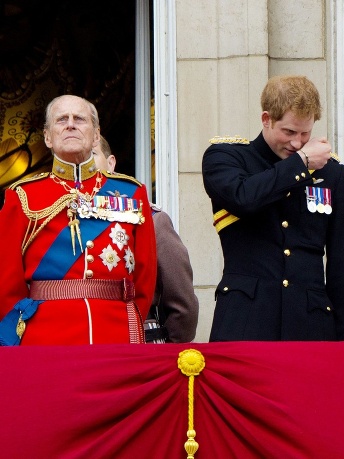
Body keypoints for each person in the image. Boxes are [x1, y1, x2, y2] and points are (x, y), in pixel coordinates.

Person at [202, 75, 344, 341]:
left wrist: (343, 344)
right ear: (266, 119)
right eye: (288, 132)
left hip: (310, 328)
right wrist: (301, 163)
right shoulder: (227, 157)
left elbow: (343, 264)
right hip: (245, 324)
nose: (297, 143)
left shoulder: (333, 174)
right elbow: (244, 198)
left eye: (305, 133)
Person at [0, 95, 157, 345]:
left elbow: (145, 277)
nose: (71, 124)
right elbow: (7, 285)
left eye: (80, 119)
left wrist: (131, 321)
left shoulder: (132, 193)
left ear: (96, 136)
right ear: (48, 137)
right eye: (62, 119)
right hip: (44, 337)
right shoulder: (22, 196)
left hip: (115, 333)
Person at [92, 136, 199, 343]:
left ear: (111, 163)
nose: (85, 164)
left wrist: (167, 348)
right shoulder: (58, 221)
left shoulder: (150, 219)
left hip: (139, 342)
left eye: (92, 155)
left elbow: (182, 306)